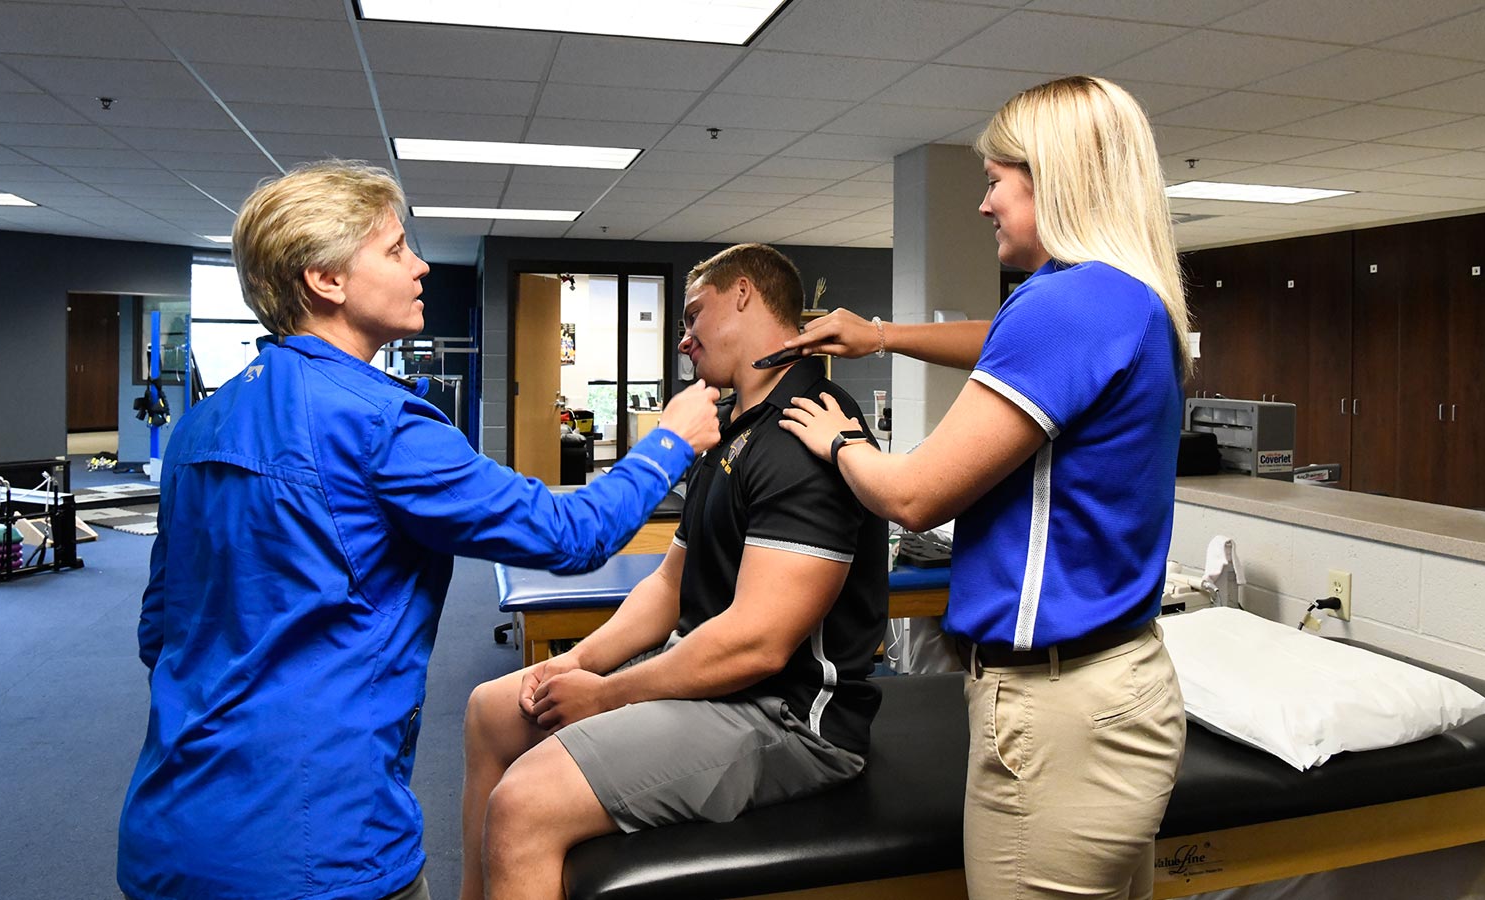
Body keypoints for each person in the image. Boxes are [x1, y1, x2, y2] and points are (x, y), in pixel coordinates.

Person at [115, 160, 722, 900]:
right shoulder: (379, 423)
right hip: (317, 847)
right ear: (326, 280)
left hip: (171, 828)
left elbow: (160, 632)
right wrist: (671, 440)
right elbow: (572, 533)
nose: (421, 265)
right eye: (396, 248)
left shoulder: (200, 425)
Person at [779, 75, 1190, 899]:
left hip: (1057, 714)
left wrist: (843, 441)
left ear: (1055, 179)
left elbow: (913, 496)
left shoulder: (1067, 307)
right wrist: (882, 335)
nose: (984, 204)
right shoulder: (1120, 297)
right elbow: (1004, 339)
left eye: (996, 181)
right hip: (1120, 690)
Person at [459, 243, 888, 900]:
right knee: (493, 710)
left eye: (694, 316)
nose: (683, 339)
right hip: (716, 690)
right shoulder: (728, 428)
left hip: (788, 720)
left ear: (744, 294)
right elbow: (667, 585)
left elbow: (758, 641)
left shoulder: (808, 429)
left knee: (525, 804)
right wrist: (582, 665)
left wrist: (607, 694)